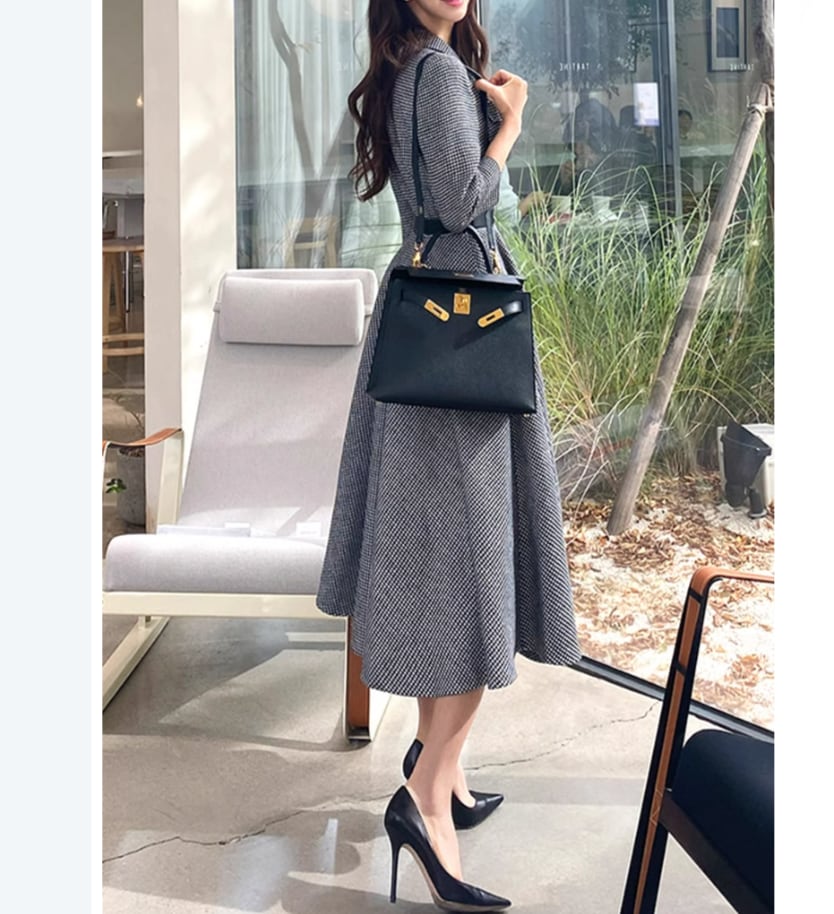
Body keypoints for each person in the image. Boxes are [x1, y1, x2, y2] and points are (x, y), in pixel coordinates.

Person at [316, 0, 582, 910]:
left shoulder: (413, 65)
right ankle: (424, 799)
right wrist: (511, 125)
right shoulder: (434, 72)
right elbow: (465, 204)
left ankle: (446, 777)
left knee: (444, 573)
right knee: (469, 579)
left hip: (436, 328)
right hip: (462, 336)